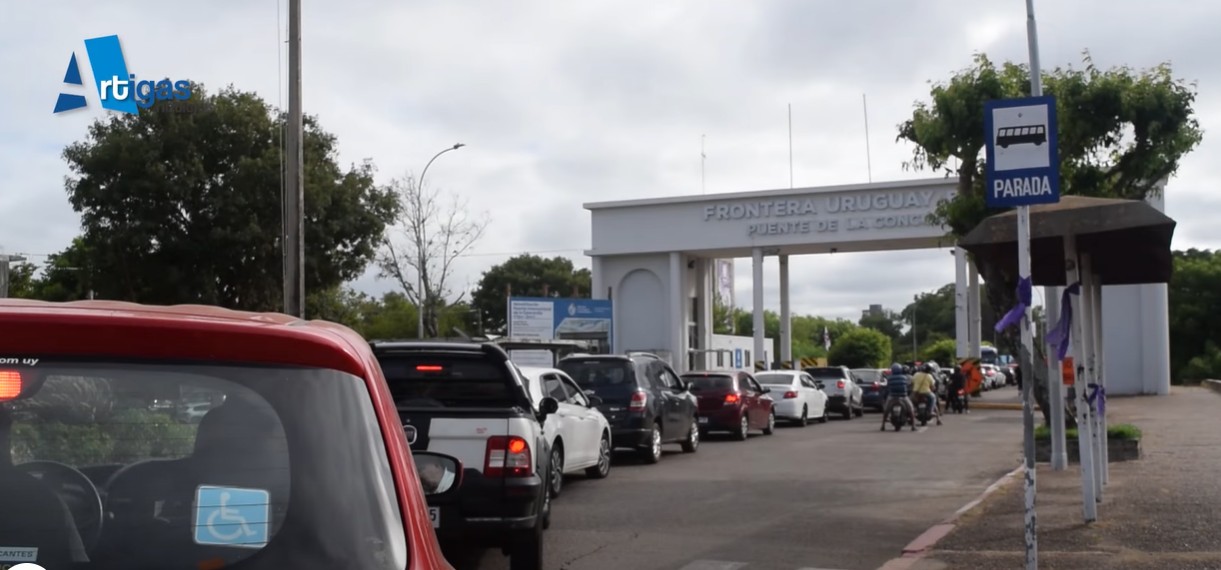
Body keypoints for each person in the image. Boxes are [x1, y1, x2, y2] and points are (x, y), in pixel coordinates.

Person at [880, 363, 916, 431]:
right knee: (911, 409)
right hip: (903, 396)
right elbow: (908, 385)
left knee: (886, 411)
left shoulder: (889, 378)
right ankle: (913, 426)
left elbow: (886, 387)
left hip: (892, 397)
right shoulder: (904, 377)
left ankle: (883, 425)